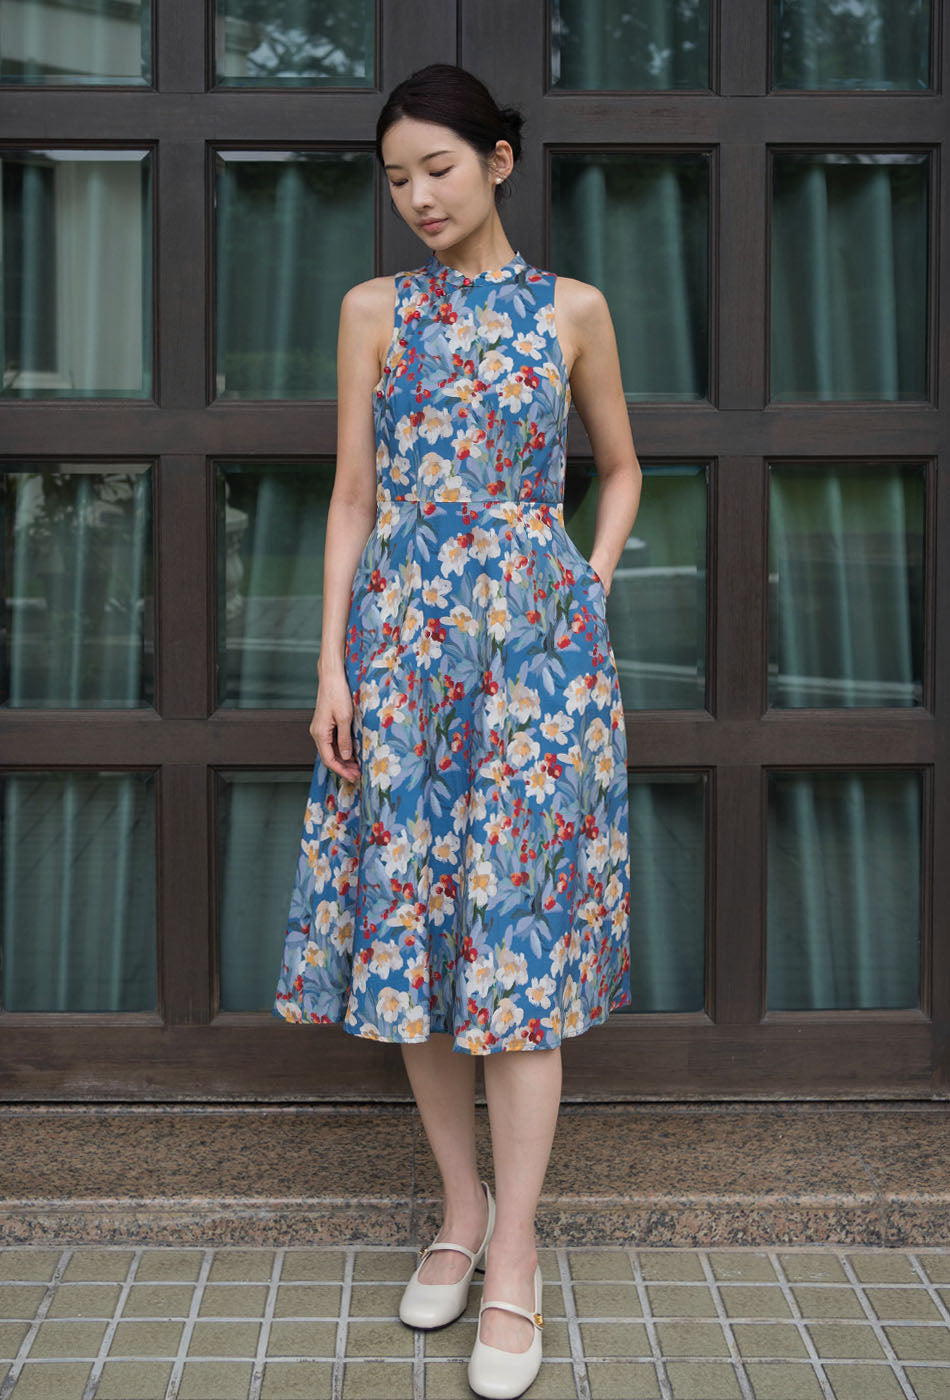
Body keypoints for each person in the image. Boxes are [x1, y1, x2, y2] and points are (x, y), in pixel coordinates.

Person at [273, 62, 642, 1399]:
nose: (415, 195)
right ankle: (460, 1206)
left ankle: (516, 1257)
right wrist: (330, 666)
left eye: (436, 166)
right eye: (395, 177)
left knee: (518, 952)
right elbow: (351, 500)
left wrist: (584, 585)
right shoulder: (372, 311)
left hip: (537, 671)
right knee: (414, 935)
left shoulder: (574, 312)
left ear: (496, 159)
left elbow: (623, 465)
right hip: (400, 657)